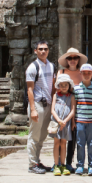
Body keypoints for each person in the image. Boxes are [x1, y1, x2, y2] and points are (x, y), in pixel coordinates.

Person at [25, 41, 56, 174]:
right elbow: (30, 90)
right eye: (40, 49)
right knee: (34, 135)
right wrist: (32, 109)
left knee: (42, 136)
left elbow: (53, 87)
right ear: (35, 51)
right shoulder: (33, 67)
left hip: (48, 104)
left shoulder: (51, 66)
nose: (43, 51)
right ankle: (32, 164)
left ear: (48, 51)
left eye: (45, 49)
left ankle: (37, 161)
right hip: (37, 103)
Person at [57, 48, 87, 173]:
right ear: (66, 60)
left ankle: (68, 162)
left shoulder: (83, 72)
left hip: (78, 107)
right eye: (70, 58)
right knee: (60, 136)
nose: (73, 60)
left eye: (75, 58)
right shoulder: (61, 72)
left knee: (73, 136)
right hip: (63, 106)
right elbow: (56, 91)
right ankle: (58, 162)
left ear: (78, 60)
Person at [73, 63, 92, 176]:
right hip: (80, 120)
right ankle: (80, 165)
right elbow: (74, 105)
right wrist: (73, 121)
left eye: (88, 73)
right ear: (80, 74)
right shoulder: (76, 88)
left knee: (91, 144)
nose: (86, 75)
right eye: (84, 73)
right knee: (80, 143)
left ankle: (91, 165)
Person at [51, 74, 76, 176]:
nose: (64, 87)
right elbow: (52, 110)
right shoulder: (55, 95)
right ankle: (56, 164)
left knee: (63, 144)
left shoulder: (72, 96)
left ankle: (63, 164)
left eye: (66, 85)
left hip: (66, 123)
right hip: (57, 122)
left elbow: (73, 110)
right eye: (62, 85)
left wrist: (65, 121)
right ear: (58, 86)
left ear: (69, 85)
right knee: (56, 143)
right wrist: (59, 120)